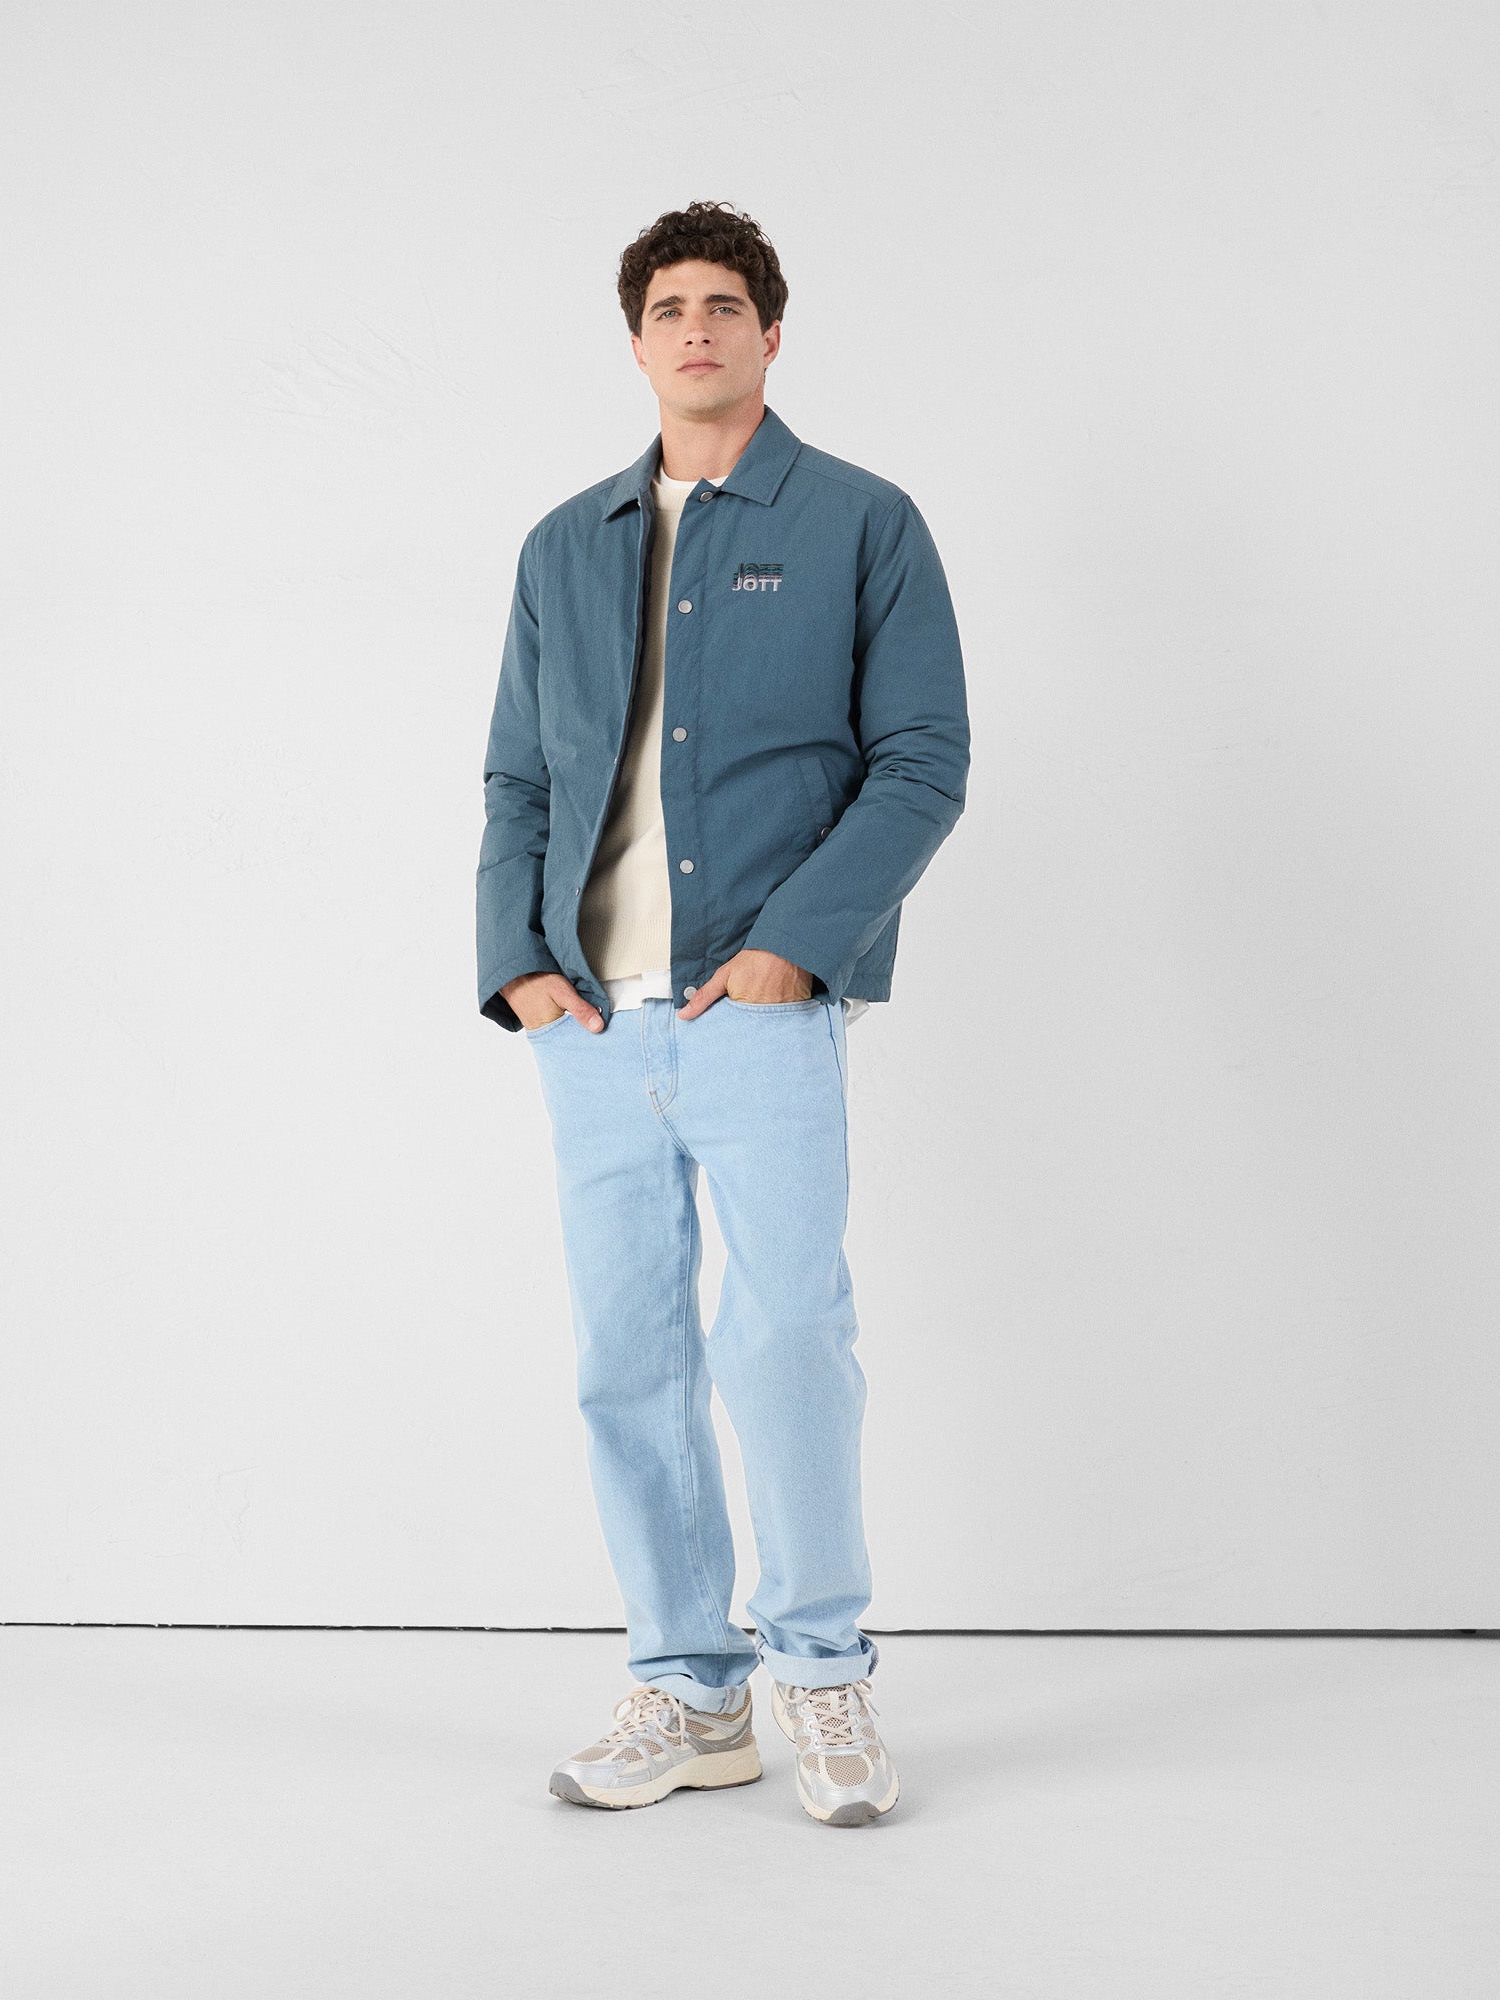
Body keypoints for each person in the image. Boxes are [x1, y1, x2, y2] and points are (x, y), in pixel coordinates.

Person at [475, 200, 969, 1826]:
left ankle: (822, 1672)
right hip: (588, 1025)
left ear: (770, 332)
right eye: (668, 309)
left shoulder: (861, 522)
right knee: (627, 1360)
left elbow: (923, 761)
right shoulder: (564, 544)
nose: (696, 329)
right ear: (635, 344)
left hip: (759, 1010)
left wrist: (793, 952)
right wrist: (519, 965)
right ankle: (691, 1693)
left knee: (788, 1340)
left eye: (724, 305)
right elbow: (518, 777)